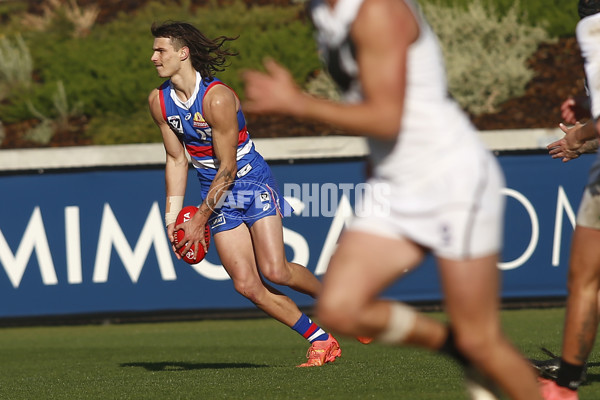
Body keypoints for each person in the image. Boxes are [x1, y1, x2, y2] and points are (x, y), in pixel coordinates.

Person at [243, 0, 542, 399]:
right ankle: (457, 347)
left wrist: (299, 103)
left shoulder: (377, 11)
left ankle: (482, 353)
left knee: (483, 340)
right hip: (397, 184)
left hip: (452, 179)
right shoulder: (322, 11)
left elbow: (389, 117)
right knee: (340, 306)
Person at [147, 21, 344, 368]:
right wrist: (172, 217)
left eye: (160, 50)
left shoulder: (217, 98)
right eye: (154, 50)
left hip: (248, 183)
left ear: (183, 53)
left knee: (276, 271)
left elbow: (228, 168)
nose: (153, 57)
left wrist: (198, 222)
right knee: (247, 285)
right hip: (214, 192)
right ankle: (321, 340)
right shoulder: (159, 102)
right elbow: (177, 159)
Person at [537, 1, 600, 398]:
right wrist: (584, 143)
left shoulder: (593, 28)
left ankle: (565, 387)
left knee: (585, 280)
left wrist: (579, 136)